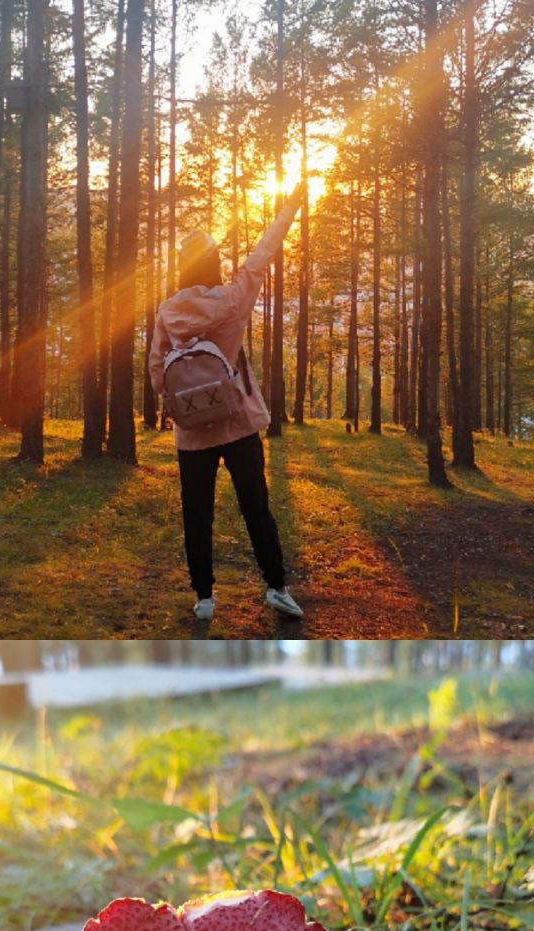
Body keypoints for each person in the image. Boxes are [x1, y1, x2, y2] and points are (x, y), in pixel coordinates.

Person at [148, 185, 304, 622]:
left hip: (192, 433)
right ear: (214, 264)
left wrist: (179, 404)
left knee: (196, 513)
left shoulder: (167, 312)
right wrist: (288, 209)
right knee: (256, 506)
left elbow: (158, 367)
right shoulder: (233, 300)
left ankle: (204, 598)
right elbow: (262, 254)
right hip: (237, 422)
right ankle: (276, 587)